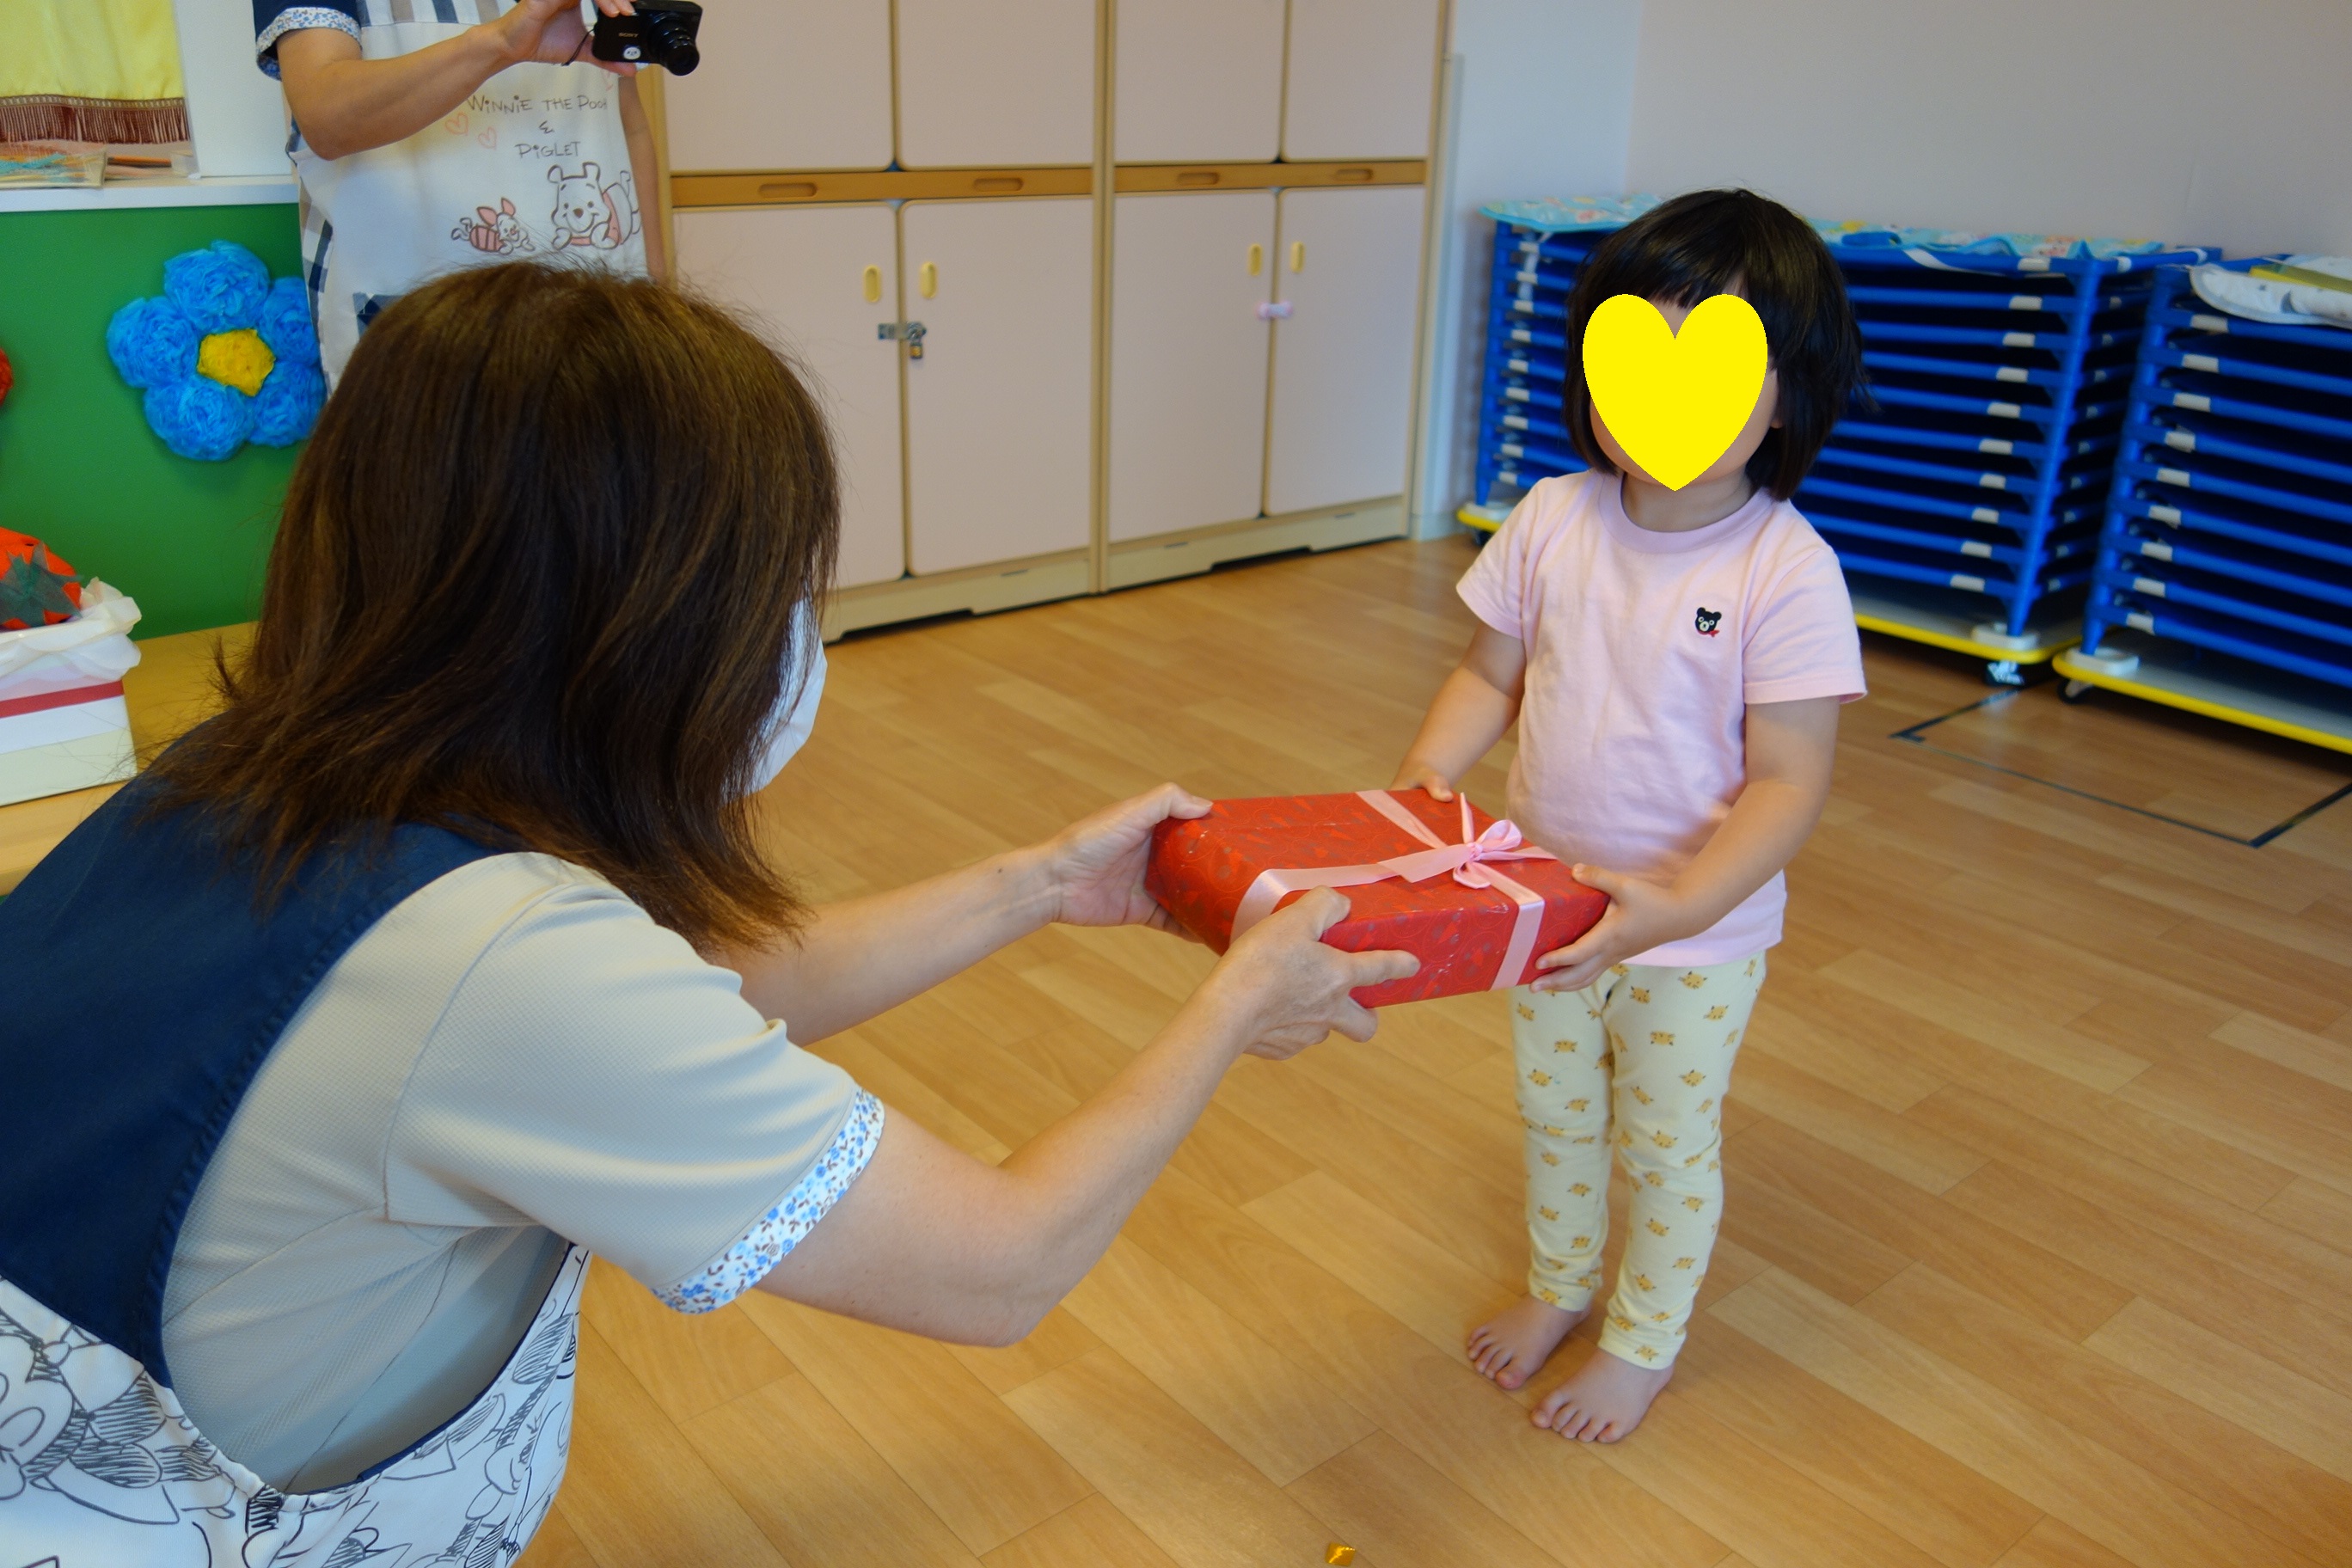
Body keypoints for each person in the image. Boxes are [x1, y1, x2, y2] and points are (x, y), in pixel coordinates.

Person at [0, 263, 1414, 1565]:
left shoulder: (231, 780)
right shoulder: (508, 962)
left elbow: (685, 993)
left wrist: (1045, 882)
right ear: (635, 623)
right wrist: (1237, 1004)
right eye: (770, 587)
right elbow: (1000, 1265)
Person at [1389, 189, 1866, 1442]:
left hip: (1692, 940)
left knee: (1664, 1144)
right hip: (1545, 908)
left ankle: (1643, 1343)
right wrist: (1428, 777)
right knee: (1556, 1116)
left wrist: (1683, 904)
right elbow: (1488, 674)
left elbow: (1790, 779)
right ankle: (1560, 1285)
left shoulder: (1785, 570)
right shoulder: (1553, 518)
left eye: (1714, 367)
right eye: (1637, 357)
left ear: (1788, 396)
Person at [258, 0, 665, 380]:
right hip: (417, 308)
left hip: (594, 304)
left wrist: (659, 309)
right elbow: (327, 117)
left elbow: (627, 119)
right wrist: (501, 43)